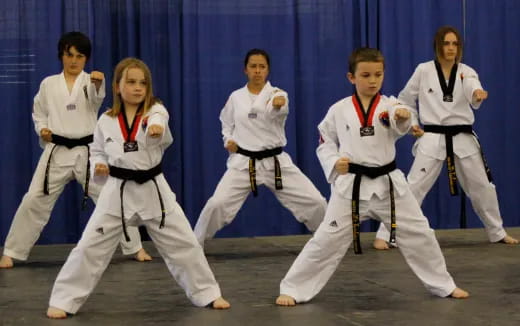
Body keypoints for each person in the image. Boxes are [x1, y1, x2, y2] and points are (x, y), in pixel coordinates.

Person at [276, 48, 468, 307]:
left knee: (421, 234)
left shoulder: (390, 106)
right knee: (326, 240)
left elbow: (402, 118)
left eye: (378, 74)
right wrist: (334, 162)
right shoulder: (339, 110)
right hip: (351, 187)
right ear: (351, 77)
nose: (373, 80)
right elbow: (324, 142)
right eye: (365, 75)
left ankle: (443, 285)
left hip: (389, 186)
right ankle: (294, 288)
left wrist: (404, 117)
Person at [46, 57, 230, 319]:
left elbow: (159, 118)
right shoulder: (106, 121)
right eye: (130, 82)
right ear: (117, 87)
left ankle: (208, 293)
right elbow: (97, 151)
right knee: (89, 246)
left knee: (185, 243)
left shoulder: (155, 112)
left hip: (154, 189)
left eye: (142, 83)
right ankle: (64, 299)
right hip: (117, 191)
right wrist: (98, 166)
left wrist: (155, 126)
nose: (137, 87)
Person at [0, 32, 150, 269]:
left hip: (88, 151)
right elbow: (38, 113)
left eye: (79, 56)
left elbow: (94, 101)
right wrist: (43, 129)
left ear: (86, 59)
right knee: (34, 200)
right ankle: (12, 251)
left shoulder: (91, 81)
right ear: (61, 55)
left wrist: (98, 84)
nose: (73, 60)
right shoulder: (48, 84)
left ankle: (134, 246)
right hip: (57, 151)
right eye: (69, 55)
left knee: (111, 197)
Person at [373, 26, 518, 250]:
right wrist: (412, 123)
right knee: (413, 187)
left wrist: (476, 94)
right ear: (438, 45)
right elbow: (404, 100)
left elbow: (472, 86)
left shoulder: (466, 71)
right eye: (446, 43)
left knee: (483, 187)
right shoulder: (423, 70)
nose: (450, 48)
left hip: (463, 137)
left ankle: (497, 231)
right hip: (432, 137)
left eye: (455, 44)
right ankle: (387, 233)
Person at [193, 48, 327, 246]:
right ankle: (195, 243)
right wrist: (227, 140)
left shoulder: (277, 94)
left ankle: (329, 239)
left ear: (268, 71)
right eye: (253, 66)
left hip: (275, 163)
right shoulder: (236, 97)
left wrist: (277, 105)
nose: (257, 70)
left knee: (316, 201)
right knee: (217, 203)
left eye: (262, 67)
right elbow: (226, 122)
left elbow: (277, 112)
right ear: (245, 70)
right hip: (244, 162)